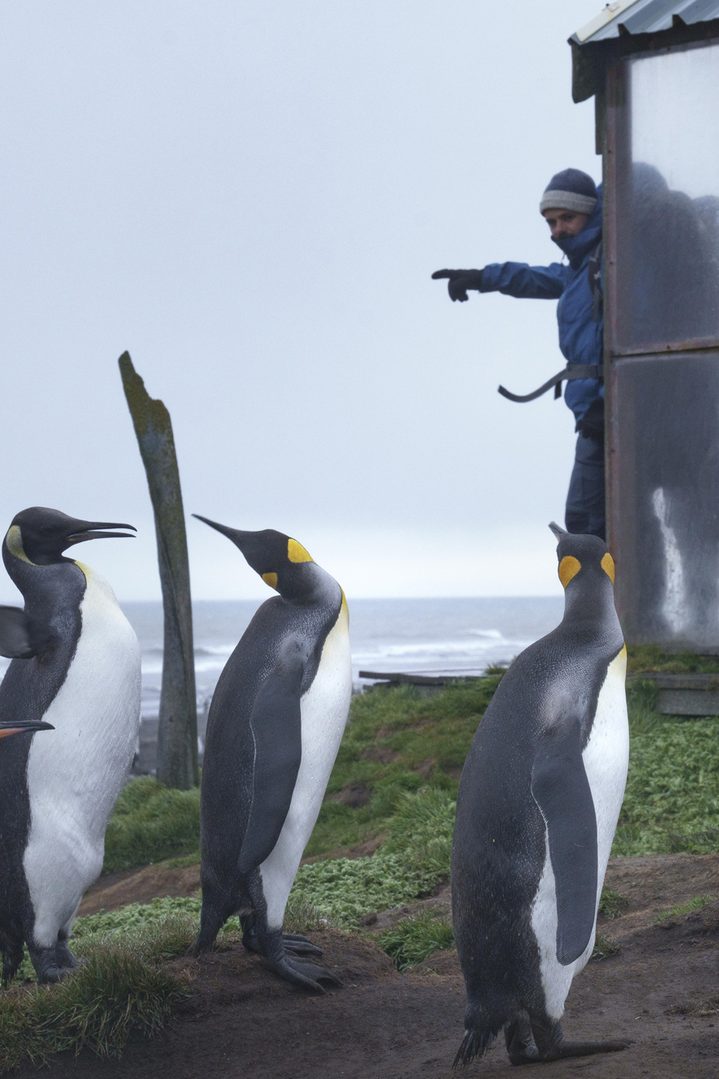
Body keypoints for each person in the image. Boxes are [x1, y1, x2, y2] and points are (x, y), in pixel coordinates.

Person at [432, 168, 605, 538]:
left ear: (591, 213)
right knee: (590, 521)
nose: (557, 230)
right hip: (594, 413)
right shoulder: (584, 266)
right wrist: (482, 277)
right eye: (551, 222)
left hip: (606, 413)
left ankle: (609, 596)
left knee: (586, 524)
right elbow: (537, 278)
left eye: (567, 218)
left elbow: (620, 336)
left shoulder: (610, 265)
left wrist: (607, 402)